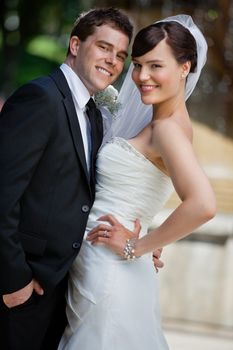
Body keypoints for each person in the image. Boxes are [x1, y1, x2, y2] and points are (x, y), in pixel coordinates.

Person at [58, 14, 216, 350]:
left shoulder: (168, 130)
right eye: (138, 65)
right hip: (97, 267)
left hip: (111, 273)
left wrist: (136, 247)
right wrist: (147, 237)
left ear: (185, 67)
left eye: (155, 66)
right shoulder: (161, 121)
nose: (142, 77)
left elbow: (203, 204)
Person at [0, 8, 135, 350]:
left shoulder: (94, 114)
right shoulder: (40, 98)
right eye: (104, 47)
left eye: (120, 55)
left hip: (64, 290)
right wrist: (14, 281)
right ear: (75, 45)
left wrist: (143, 242)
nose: (113, 61)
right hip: (21, 290)